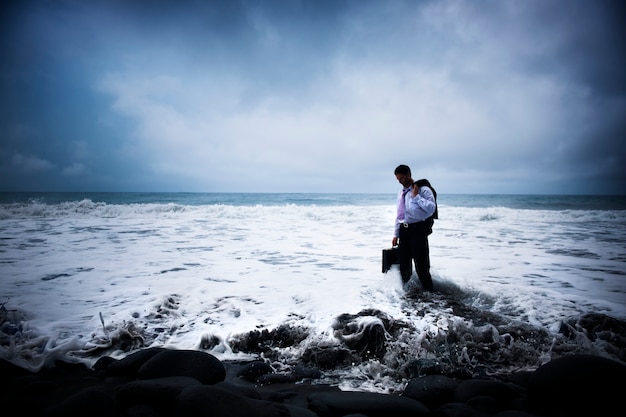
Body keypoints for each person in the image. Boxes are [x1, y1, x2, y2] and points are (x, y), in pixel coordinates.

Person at [392, 164, 436, 292]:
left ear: (408, 175)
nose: (400, 182)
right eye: (398, 180)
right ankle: (407, 294)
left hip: (418, 230)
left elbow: (431, 209)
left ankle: (430, 294)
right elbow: (399, 214)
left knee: (422, 266)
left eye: (401, 179)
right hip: (404, 231)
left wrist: (416, 197)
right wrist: (396, 234)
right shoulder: (401, 192)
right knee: (404, 265)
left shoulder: (423, 190)